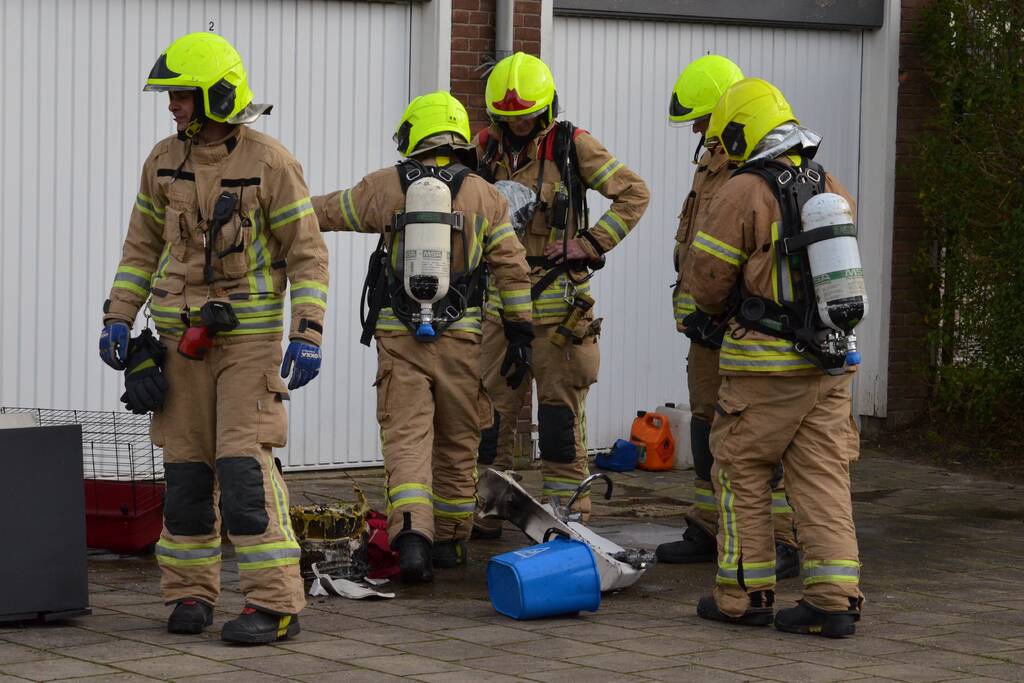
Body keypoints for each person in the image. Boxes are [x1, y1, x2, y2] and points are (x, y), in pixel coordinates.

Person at [99, 33, 329, 643]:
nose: (172, 105)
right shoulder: (161, 160)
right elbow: (140, 249)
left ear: (217, 96)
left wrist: (307, 333)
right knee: (187, 476)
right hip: (179, 343)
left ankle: (276, 604)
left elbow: (308, 256)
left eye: (181, 94)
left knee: (245, 471)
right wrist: (118, 317)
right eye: (172, 95)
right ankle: (190, 595)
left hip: (247, 345)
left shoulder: (270, 163)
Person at [312, 91, 532, 581]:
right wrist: (520, 332)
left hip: (400, 336)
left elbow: (327, 211)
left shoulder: (384, 187)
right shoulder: (486, 195)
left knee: (407, 437)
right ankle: (452, 545)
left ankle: (411, 535)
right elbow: (512, 271)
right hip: (462, 340)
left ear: (414, 135)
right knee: (458, 439)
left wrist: (277, 209)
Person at [689, 77, 864, 637]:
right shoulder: (828, 182)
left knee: (741, 471)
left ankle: (744, 596)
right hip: (831, 363)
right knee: (822, 478)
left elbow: (709, 283)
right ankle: (834, 600)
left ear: (742, 132)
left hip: (764, 367)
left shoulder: (742, 191)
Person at [473, 52, 649, 534]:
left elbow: (634, 193)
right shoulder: (484, 148)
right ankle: (485, 511)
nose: (517, 127)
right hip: (499, 308)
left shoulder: (573, 146)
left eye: (526, 116)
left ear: (547, 108)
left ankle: (568, 513)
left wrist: (590, 243)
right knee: (489, 415)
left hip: (559, 312)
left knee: (558, 418)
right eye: (507, 119)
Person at [656, 56, 799, 580]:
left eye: (701, 118)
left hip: (744, 321)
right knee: (704, 423)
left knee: (756, 434)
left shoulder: (751, 163)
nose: (695, 129)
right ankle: (708, 522)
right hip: (705, 325)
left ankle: (780, 539)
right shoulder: (712, 160)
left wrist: (722, 307)